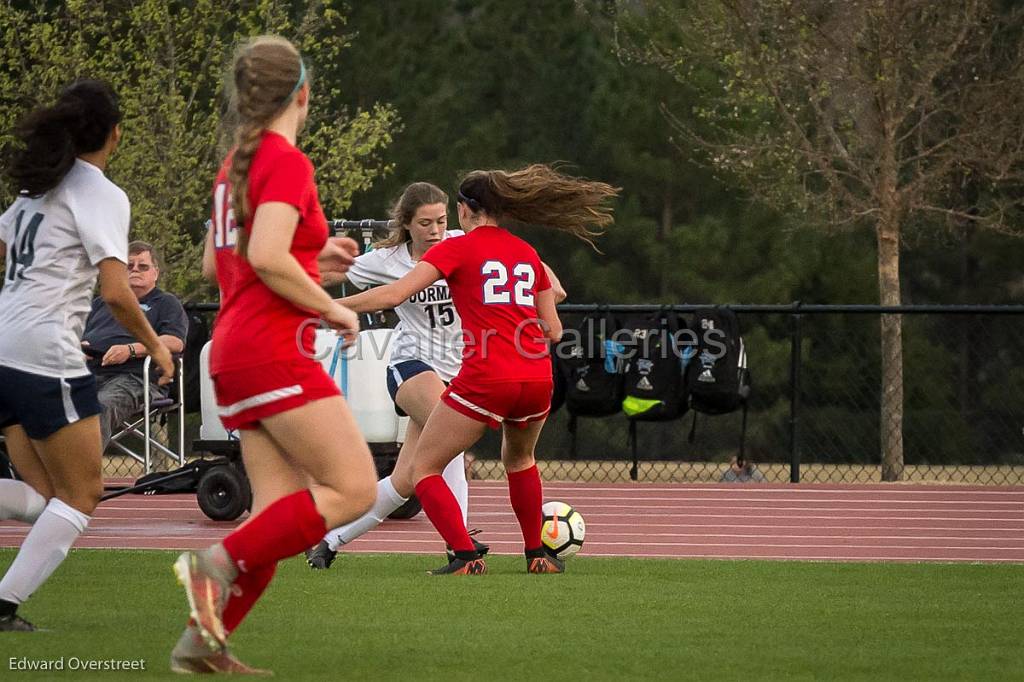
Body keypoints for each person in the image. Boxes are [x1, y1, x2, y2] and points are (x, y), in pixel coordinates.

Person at [172, 35, 377, 674]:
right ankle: (214, 563)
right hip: (270, 349)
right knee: (354, 489)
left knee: (277, 514)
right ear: (303, 94)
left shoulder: (236, 161)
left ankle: (200, 645)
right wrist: (333, 305)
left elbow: (220, 265)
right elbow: (264, 257)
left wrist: (319, 268)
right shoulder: (286, 161)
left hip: (234, 350)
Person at [335, 164, 617, 575]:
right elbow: (554, 330)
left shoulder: (456, 248)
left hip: (488, 376)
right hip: (538, 377)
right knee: (521, 461)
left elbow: (394, 294)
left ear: (465, 211)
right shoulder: (526, 253)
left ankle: (464, 554)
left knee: (424, 468)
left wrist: (334, 308)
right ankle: (536, 553)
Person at [0, 79, 173, 632]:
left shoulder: (32, 194)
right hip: (45, 352)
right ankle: (4, 605)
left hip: (5, 346)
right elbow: (118, 292)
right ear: (114, 134)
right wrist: (154, 347)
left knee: (46, 495)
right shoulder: (99, 192)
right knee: (84, 493)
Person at [82, 240, 188, 447]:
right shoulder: (102, 303)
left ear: (155, 272)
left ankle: (82, 476)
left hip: (137, 378)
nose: (135, 271)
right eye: (129, 266)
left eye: (143, 266)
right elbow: (76, 335)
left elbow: (174, 342)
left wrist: (131, 350)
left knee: (100, 405)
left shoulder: (166, 303)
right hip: (89, 374)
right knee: (44, 400)